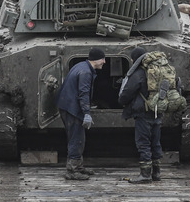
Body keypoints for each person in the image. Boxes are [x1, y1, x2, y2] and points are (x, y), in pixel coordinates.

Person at [55, 48, 106, 180]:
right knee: (76, 139)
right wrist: (87, 113)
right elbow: (83, 93)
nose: (104, 62)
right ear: (96, 60)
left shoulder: (81, 66)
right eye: (103, 59)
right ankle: (72, 171)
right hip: (72, 109)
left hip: (68, 105)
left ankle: (78, 166)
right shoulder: (86, 72)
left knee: (77, 138)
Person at [118, 46, 163, 183]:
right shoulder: (158, 71)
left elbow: (127, 93)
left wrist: (121, 101)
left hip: (143, 113)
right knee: (155, 143)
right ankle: (156, 173)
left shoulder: (138, 73)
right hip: (157, 112)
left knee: (143, 143)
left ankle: (145, 175)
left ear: (134, 59)